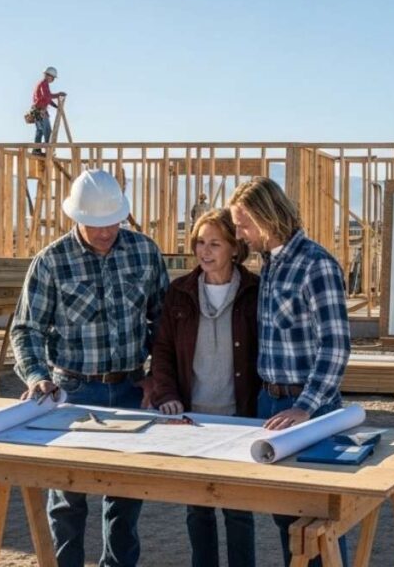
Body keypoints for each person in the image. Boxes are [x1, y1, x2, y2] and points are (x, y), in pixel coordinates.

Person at [11, 169, 169, 567]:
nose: (105, 232)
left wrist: (158, 377)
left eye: (112, 222)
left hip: (133, 389)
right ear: (75, 217)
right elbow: (26, 329)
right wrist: (37, 377)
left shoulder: (144, 252)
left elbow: (164, 323)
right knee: (67, 500)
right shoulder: (51, 262)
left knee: (126, 497)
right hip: (73, 393)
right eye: (96, 224)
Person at [229, 177, 351, 567]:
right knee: (286, 515)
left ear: (267, 218)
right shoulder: (270, 264)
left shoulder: (315, 265)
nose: (239, 234)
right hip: (271, 402)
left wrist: (306, 406)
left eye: (244, 224)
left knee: (318, 518)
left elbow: (336, 346)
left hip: (308, 408)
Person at [151, 208, 260, 567]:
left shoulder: (254, 291)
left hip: (240, 417)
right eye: (200, 242)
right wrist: (166, 395)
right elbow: (163, 349)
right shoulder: (180, 292)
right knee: (198, 510)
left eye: (215, 243)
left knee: (239, 510)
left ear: (234, 248)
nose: (204, 250)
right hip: (193, 419)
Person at [30, 66, 66, 154]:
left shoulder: (43, 84)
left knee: (40, 131)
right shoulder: (44, 83)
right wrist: (58, 95)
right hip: (40, 111)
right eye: (53, 78)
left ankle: (36, 150)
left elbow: (47, 99)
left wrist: (56, 106)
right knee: (47, 131)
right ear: (49, 76)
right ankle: (47, 151)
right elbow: (47, 96)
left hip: (38, 110)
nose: (53, 80)